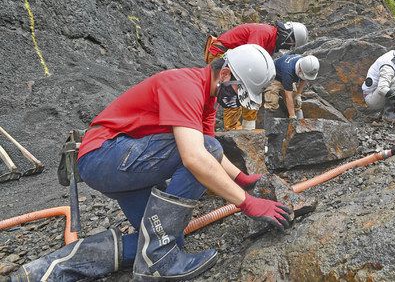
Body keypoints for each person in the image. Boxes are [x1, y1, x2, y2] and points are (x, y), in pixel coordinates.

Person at [11, 44, 292, 282]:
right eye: (239, 91)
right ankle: (158, 260)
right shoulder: (185, 85)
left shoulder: (207, 98)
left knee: (159, 237)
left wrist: (240, 179)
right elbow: (197, 156)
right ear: (226, 74)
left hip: (122, 167)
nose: (236, 101)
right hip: (104, 156)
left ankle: (45, 270)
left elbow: (210, 152)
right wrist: (246, 202)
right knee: (201, 156)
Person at [204, 21, 309, 130]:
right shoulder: (264, 33)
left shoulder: (271, 39)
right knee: (233, 90)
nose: (288, 48)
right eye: (290, 45)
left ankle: (248, 130)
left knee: (250, 91)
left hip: (236, 57)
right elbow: (249, 57)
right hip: (221, 53)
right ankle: (231, 131)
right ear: (288, 37)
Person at [264, 54, 320, 121]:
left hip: (287, 77)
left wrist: (298, 94)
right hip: (274, 77)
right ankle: (268, 124)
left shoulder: (306, 65)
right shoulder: (288, 70)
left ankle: (300, 124)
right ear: (299, 69)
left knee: (296, 103)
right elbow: (288, 96)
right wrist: (292, 117)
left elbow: (304, 79)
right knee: (272, 102)